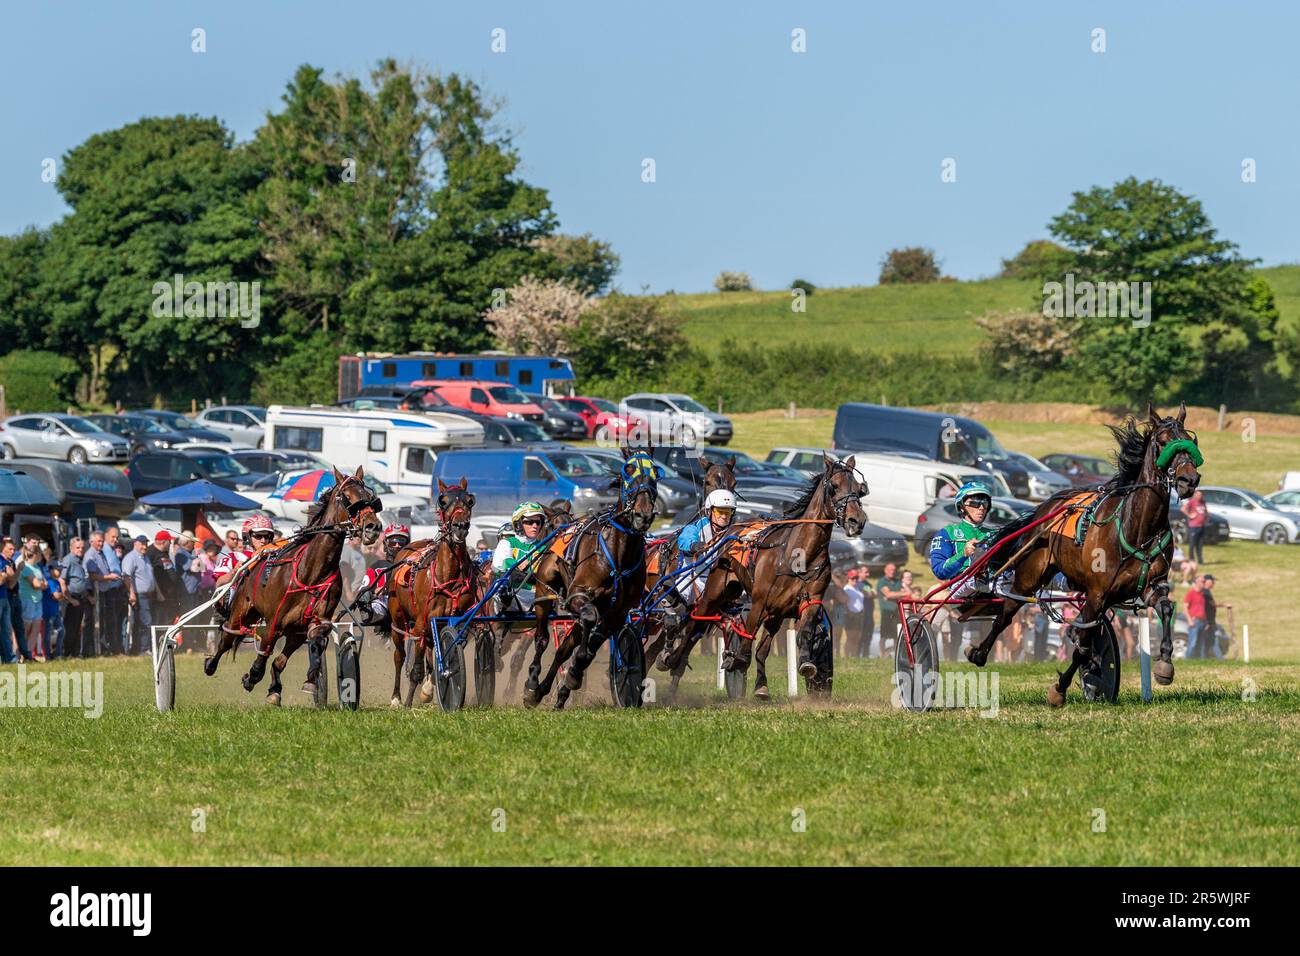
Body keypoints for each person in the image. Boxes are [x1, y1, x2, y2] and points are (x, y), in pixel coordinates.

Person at [928, 483, 997, 597]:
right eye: (975, 503)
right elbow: (939, 571)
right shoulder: (947, 533)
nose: (981, 508)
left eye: (985, 503)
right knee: (975, 578)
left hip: (993, 586)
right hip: (960, 589)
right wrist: (963, 554)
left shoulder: (994, 534)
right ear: (961, 507)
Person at [352, 524, 411, 636]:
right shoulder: (377, 566)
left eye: (401, 542)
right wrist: (372, 592)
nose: (397, 545)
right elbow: (363, 589)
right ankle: (372, 614)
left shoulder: (412, 565)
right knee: (374, 603)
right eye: (393, 542)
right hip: (383, 602)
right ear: (386, 544)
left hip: (406, 603)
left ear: (407, 544)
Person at [493, 502, 550, 613]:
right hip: (511, 598)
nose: (535, 526)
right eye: (529, 522)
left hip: (537, 597)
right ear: (518, 524)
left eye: (538, 522)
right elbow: (500, 564)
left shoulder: (544, 548)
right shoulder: (507, 542)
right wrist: (518, 565)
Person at [121, 534, 158, 655]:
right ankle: (143, 649)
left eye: (146, 543)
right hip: (139, 595)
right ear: (135, 544)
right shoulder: (130, 558)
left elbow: (150, 577)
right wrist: (132, 593)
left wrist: (158, 592)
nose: (144, 546)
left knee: (143, 622)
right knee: (145, 622)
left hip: (149, 595)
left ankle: (138, 649)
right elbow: (126, 576)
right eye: (142, 544)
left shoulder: (145, 557)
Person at [17, 539, 48, 661]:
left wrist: (42, 584)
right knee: (26, 629)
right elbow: (36, 584)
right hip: (27, 600)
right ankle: (20, 654)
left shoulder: (37, 567)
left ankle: (28, 655)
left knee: (35, 629)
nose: (42, 556)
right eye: (40, 553)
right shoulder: (25, 567)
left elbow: (44, 583)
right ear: (36, 554)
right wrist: (41, 584)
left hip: (37, 601)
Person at [59, 537, 90, 657]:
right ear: (71, 548)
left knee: (77, 628)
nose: (80, 550)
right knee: (69, 628)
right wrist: (70, 600)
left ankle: (74, 652)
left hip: (80, 598)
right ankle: (66, 653)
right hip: (72, 599)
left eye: (82, 547)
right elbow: (62, 580)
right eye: (78, 547)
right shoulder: (69, 560)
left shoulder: (80, 560)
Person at [875, 562, 905, 655]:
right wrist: (896, 594)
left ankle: (895, 654)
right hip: (886, 613)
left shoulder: (897, 581)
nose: (892, 571)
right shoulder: (882, 582)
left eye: (893, 570)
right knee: (884, 635)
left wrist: (893, 595)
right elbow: (888, 594)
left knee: (896, 635)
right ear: (885, 570)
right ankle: (882, 654)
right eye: (890, 570)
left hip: (897, 612)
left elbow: (903, 592)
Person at [0, 538, 19, 664]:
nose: (12, 552)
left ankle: (9, 659)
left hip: (5, 598)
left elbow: (11, 585)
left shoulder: (8, 562)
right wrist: (6, 576)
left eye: (13, 549)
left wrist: (13, 575)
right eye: (10, 549)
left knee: (6, 630)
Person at [1183, 490, 1208, 566]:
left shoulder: (1203, 502)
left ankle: (1200, 560)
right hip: (1193, 527)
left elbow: (1205, 511)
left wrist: (1206, 518)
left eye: (1201, 495)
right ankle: (1191, 559)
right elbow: (1183, 509)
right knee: (1192, 544)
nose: (1200, 496)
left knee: (1200, 545)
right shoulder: (1192, 502)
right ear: (1195, 495)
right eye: (1198, 495)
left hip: (1201, 526)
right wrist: (1190, 515)